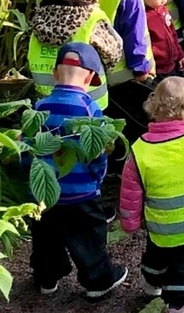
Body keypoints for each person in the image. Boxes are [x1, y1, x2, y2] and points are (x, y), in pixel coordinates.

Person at [29, 43, 130, 300]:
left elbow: (28, 147)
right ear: (90, 78)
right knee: (88, 239)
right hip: (81, 192)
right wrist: (96, 179)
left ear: (54, 74)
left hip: (45, 193)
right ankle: (98, 281)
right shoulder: (89, 111)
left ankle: (47, 278)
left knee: (45, 239)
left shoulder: (39, 108)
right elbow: (97, 153)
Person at [119, 77, 184, 313]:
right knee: (183, 264)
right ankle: (180, 305)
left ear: (154, 105)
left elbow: (131, 191)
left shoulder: (141, 150)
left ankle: (151, 282)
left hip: (159, 223)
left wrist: (130, 222)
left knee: (156, 254)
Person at [28, 0, 124, 110]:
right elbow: (112, 55)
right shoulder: (94, 17)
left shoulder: (43, 9)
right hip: (87, 102)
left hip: (44, 97)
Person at [140, 0, 184, 79]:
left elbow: (172, 34)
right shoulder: (143, 16)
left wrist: (180, 55)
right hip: (157, 69)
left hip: (172, 63)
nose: (164, 1)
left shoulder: (163, 10)